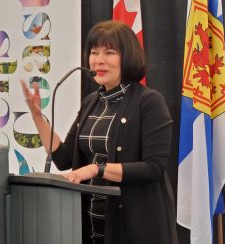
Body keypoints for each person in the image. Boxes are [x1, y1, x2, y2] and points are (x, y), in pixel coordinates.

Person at [21, 20, 178, 244]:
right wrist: (37, 117)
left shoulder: (149, 101)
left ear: (129, 57)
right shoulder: (91, 102)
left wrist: (97, 169)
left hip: (133, 224)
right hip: (91, 220)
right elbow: (64, 158)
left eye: (109, 52)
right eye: (94, 52)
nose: (98, 60)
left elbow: (153, 168)